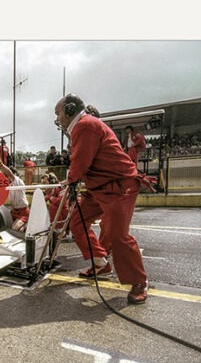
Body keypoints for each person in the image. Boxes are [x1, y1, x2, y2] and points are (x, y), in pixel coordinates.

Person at [54, 94, 148, 303]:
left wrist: (70, 180)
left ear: (69, 110)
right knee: (77, 220)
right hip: (99, 187)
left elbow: (81, 160)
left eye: (58, 113)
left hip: (119, 185)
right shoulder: (82, 126)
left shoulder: (85, 125)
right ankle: (100, 263)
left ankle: (139, 281)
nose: (58, 118)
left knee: (117, 234)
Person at [0, 153, 30, 230]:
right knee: (3, 225)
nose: (5, 176)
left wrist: (0, 164)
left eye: (6, 175)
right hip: (14, 211)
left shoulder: (18, 181)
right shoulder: (7, 185)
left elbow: (10, 174)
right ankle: (23, 227)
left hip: (23, 212)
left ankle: (25, 227)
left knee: (14, 229)